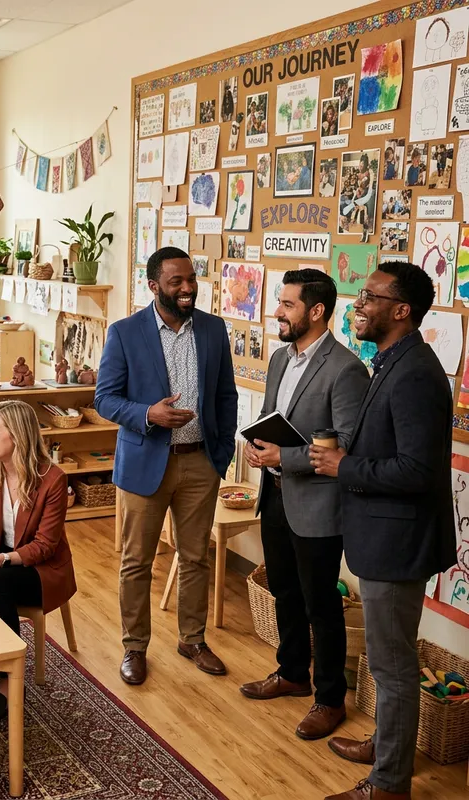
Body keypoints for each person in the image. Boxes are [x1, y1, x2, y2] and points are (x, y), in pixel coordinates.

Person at [310, 263, 456, 800]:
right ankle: (387, 746)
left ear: (401, 311)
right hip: (379, 539)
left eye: (370, 297)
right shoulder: (391, 360)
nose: (357, 304)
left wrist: (342, 467)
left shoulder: (416, 371)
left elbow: (418, 471)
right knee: (385, 658)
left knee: (393, 670)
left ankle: (389, 784)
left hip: (397, 546)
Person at [95, 246, 237, 685]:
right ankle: (134, 647)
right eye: (176, 281)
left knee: (195, 557)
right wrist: (146, 415)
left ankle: (192, 639)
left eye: (191, 279)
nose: (187, 288)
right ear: (153, 285)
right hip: (146, 462)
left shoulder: (213, 330)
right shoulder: (125, 332)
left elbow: (226, 395)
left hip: (200, 464)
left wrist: (222, 454)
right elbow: (104, 398)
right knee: (137, 561)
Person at [240, 270, 369, 741]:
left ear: (317, 312)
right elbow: (273, 418)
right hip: (274, 496)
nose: (277, 310)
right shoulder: (279, 358)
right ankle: (292, 672)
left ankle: (330, 699)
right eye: (280, 302)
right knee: (284, 591)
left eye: (288, 304)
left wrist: (285, 457)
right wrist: (258, 445)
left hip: (317, 506)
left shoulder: (347, 369)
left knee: (322, 605)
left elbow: (348, 446)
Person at [0, 400, 76, 722]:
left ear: (18, 436)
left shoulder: (53, 479)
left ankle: (11, 682)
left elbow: (45, 546)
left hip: (40, 570)